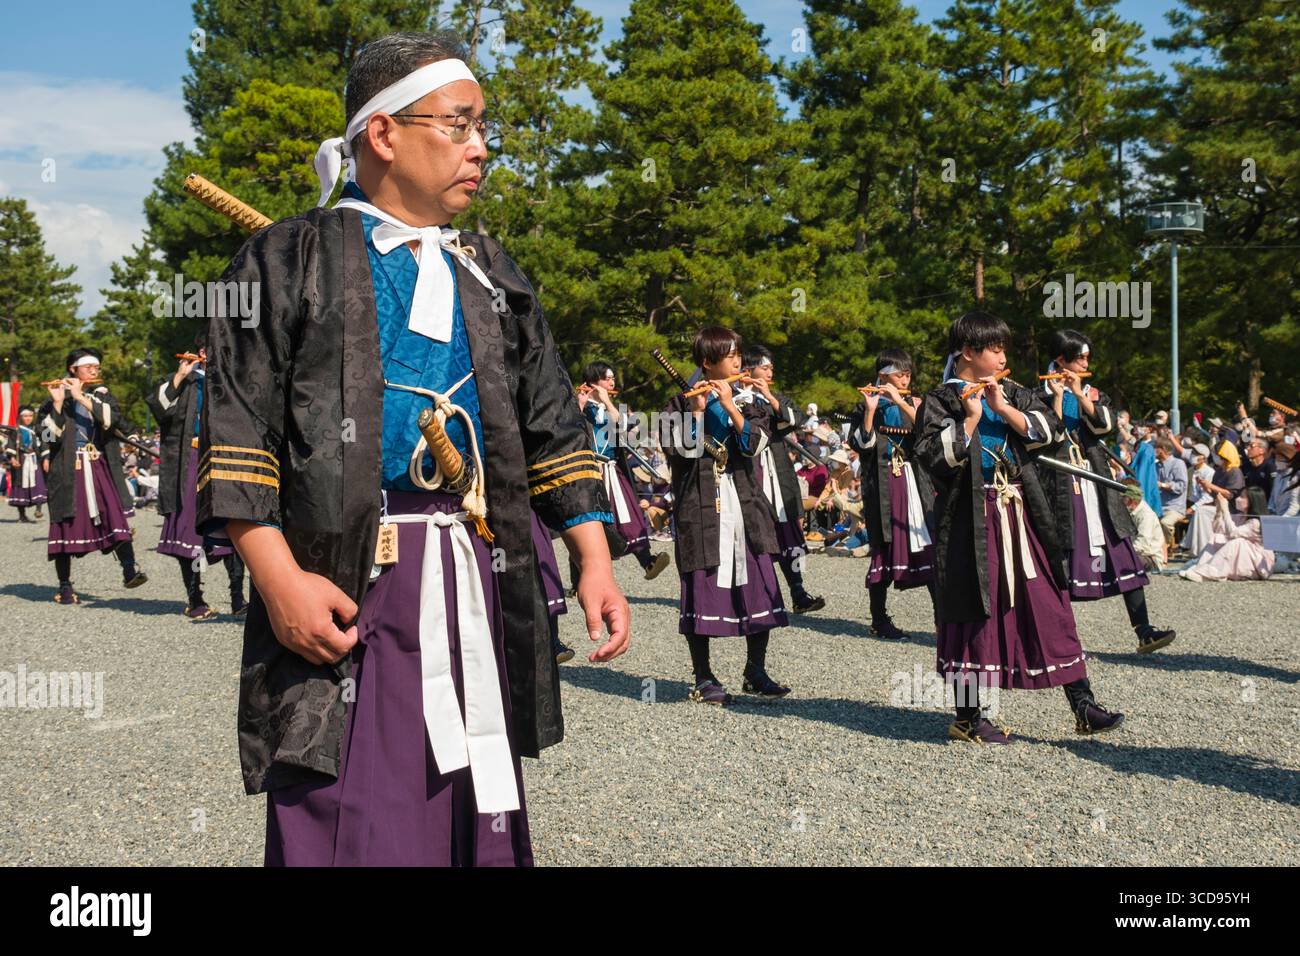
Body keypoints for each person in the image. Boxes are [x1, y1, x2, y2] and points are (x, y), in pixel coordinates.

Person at [197, 30, 630, 867]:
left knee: (474, 809)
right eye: (459, 125)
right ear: (383, 134)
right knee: (352, 813)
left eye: (483, 131)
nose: (481, 149)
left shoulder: (492, 274)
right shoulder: (286, 260)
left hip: (472, 573)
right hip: (345, 579)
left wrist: (594, 556)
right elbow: (237, 433)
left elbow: (553, 423)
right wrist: (279, 579)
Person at [913, 311, 1123, 744]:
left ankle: (1082, 705)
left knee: (1049, 602)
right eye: (996, 348)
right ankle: (968, 718)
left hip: (1020, 512)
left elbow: (1050, 431)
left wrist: (1002, 408)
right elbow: (932, 457)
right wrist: (970, 419)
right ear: (969, 352)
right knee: (972, 611)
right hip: (970, 519)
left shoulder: (1012, 391)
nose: (1003, 355)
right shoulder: (940, 400)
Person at [662, 326, 790, 705]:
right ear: (707, 362)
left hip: (745, 499)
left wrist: (732, 407)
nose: (738, 360)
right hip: (700, 504)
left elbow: (756, 444)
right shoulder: (679, 402)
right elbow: (676, 450)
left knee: (759, 576)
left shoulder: (750, 398)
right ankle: (702, 677)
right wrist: (699, 412)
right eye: (730, 354)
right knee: (702, 581)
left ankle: (755, 670)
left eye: (738, 353)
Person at [1042, 330, 1175, 654]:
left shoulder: (1092, 392)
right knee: (1061, 559)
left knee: (1121, 549)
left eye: (1087, 357)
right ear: (1061, 360)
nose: (1086, 363)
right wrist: (1059, 396)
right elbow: (1050, 435)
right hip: (1062, 485)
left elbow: (1106, 426)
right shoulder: (1038, 393)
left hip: (1097, 482)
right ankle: (1059, 640)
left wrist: (1079, 392)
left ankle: (1144, 631)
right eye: (1080, 358)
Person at [39, 348, 148, 604]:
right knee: (65, 523)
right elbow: (47, 437)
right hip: (67, 470)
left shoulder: (101, 396)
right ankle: (65, 586)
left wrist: (80, 396)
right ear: (73, 370)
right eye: (87, 366)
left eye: (96, 367)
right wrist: (57, 403)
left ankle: (129, 570)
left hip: (98, 464)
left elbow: (112, 420)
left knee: (115, 515)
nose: (94, 370)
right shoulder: (55, 400)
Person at [147, 348, 249, 620]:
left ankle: (239, 599)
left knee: (232, 527)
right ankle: (195, 599)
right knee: (190, 531)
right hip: (191, 459)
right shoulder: (182, 381)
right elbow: (159, 409)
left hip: (225, 458)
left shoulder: (232, 379)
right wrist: (180, 375)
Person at [849, 348, 936, 640]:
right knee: (884, 547)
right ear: (884, 374)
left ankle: (944, 619)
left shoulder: (913, 400)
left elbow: (928, 432)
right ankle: (879, 618)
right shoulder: (864, 403)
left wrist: (900, 401)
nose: (906, 378)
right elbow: (862, 444)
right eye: (900, 374)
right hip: (884, 486)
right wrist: (872, 409)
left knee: (929, 545)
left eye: (908, 373)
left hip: (913, 481)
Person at [739, 345, 824, 613]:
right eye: (765, 367)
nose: (770, 372)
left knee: (790, 535)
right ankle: (759, 598)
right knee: (755, 536)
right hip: (750, 472)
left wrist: (768, 397)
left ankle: (798, 593)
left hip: (777, 471)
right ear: (748, 369)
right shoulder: (732, 397)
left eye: (771, 368)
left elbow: (796, 419)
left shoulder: (772, 397)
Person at [575, 360, 671, 586]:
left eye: (612, 378)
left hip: (612, 470)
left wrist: (607, 400)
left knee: (630, 515)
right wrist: (578, 406)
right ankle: (579, 579)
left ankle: (647, 561)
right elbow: (568, 430)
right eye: (606, 378)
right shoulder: (578, 405)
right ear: (593, 382)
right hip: (589, 472)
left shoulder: (611, 407)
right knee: (586, 523)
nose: (612, 382)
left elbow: (624, 427)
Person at [5, 406, 47, 522]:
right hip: (21, 461)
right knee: (20, 486)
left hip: (34, 460)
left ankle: (38, 509)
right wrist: (13, 458)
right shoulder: (15, 430)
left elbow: (45, 443)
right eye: (25, 416)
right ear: (20, 416)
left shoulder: (38, 428)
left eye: (30, 416)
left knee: (38, 483)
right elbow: (11, 445)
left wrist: (46, 458)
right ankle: (22, 515)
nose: (28, 418)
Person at [1123, 480, 1167, 571]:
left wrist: (1121, 552)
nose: (1120, 500)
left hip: (1151, 558)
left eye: (1123, 498)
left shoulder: (1146, 515)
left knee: (1123, 561)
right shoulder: (1130, 511)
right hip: (1137, 552)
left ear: (1131, 500)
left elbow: (1142, 545)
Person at [1154, 437, 1188, 548]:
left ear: (1162, 449)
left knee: (1165, 523)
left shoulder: (1178, 463)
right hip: (1158, 506)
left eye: (1156, 448)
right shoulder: (1156, 465)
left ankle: (1165, 547)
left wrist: (1163, 485)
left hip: (1175, 508)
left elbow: (1181, 486)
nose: (1154, 450)